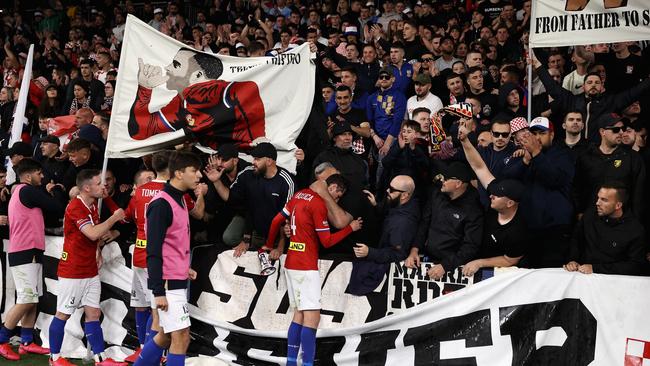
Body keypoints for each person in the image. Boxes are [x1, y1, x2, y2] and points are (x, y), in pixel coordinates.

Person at [263, 174, 362, 366]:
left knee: (298, 314)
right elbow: (327, 241)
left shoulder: (299, 195)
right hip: (306, 266)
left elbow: (276, 221)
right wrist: (350, 228)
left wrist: (268, 244)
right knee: (312, 319)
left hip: (291, 262)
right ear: (331, 188)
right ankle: (307, 363)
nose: (336, 201)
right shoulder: (318, 204)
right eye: (338, 196)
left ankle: (292, 362)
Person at [122, 150, 204, 362]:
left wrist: (183, 267)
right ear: (178, 173)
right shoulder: (161, 204)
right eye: (194, 171)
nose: (199, 176)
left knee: (166, 336)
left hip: (175, 277)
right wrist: (158, 290)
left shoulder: (180, 200)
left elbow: (173, 244)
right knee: (181, 337)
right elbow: (154, 250)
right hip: (167, 284)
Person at [48, 169, 126, 366]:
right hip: (73, 269)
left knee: (94, 313)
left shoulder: (92, 205)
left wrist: (97, 250)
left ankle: (99, 358)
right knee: (63, 313)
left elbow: (93, 238)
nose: (104, 186)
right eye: (99, 183)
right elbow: (91, 233)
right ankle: (54, 358)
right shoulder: (76, 207)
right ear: (87, 187)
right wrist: (114, 218)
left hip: (90, 268)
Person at [129, 47, 266, 149]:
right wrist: (144, 89)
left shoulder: (227, 91)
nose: (167, 67)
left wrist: (258, 136)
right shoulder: (181, 102)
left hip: (242, 162)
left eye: (176, 65)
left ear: (198, 75)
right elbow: (140, 131)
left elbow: (250, 88)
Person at [0, 159, 64, 361]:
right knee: (27, 298)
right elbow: (56, 207)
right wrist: (57, 190)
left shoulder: (20, 191)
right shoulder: (27, 190)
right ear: (28, 176)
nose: (43, 177)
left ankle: (27, 342)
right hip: (25, 251)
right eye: (39, 173)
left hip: (30, 250)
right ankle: (1, 340)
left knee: (32, 298)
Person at [501, 117, 575, 267]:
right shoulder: (526, 155)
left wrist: (536, 153)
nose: (537, 137)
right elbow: (507, 181)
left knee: (551, 277)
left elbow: (555, 179)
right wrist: (525, 161)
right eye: (533, 133)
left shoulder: (564, 154)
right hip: (530, 228)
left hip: (555, 229)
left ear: (552, 135)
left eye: (542, 133)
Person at [457, 123, 528, 276]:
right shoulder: (495, 203)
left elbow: (510, 261)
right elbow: (479, 167)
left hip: (506, 279)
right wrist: (465, 141)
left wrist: (480, 262)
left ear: (510, 203)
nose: (491, 195)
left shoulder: (518, 229)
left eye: (496, 195)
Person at [205, 142, 294, 257]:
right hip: (255, 229)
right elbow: (232, 198)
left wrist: (280, 247)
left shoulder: (286, 182)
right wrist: (216, 181)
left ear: (269, 161)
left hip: (279, 234)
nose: (253, 162)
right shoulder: (248, 174)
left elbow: (286, 219)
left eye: (257, 159)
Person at [405, 161, 484, 279]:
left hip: (455, 267)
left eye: (446, 179)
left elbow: (470, 246)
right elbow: (424, 223)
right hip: (429, 257)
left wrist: (445, 266)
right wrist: (414, 250)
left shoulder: (474, 209)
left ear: (458, 183)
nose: (442, 181)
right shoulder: (437, 194)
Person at [348, 175, 420, 295]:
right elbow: (389, 216)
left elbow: (398, 254)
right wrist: (376, 206)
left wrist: (369, 252)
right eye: (388, 187)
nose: (387, 191)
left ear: (404, 195)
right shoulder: (403, 205)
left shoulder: (402, 223)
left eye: (391, 190)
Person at [565, 183, 647, 276]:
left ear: (618, 205)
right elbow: (576, 240)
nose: (597, 203)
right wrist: (573, 260)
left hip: (616, 282)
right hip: (583, 277)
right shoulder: (589, 215)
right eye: (598, 198)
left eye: (604, 200)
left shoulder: (635, 229)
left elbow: (635, 265)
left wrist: (595, 268)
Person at [574, 114, 646, 218]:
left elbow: (639, 194)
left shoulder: (633, 158)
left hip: (622, 223)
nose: (621, 132)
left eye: (623, 129)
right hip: (591, 221)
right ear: (602, 132)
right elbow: (577, 188)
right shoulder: (586, 157)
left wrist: (635, 222)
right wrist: (580, 212)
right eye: (616, 129)